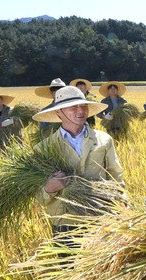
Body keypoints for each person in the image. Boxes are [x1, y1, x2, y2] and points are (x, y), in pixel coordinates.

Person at [32, 86, 124, 235]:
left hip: (100, 219)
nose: (80, 111)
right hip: (65, 224)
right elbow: (38, 195)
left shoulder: (103, 140)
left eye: (83, 106)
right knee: (66, 259)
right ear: (58, 112)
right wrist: (49, 188)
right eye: (73, 107)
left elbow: (116, 175)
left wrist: (122, 202)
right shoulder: (43, 149)